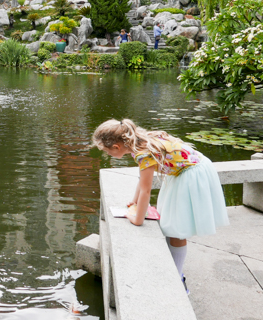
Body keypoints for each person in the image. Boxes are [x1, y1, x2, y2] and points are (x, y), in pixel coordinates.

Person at [93, 119, 228, 293]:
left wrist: (137, 219)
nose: (106, 154)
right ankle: (173, 268)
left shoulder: (143, 153)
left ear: (117, 147)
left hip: (190, 175)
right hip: (189, 170)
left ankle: (178, 279)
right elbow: (143, 181)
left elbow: (147, 191)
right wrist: (134, 201)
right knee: (172, 225)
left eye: (106, 151)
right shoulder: (141, 141)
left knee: (178, 229)